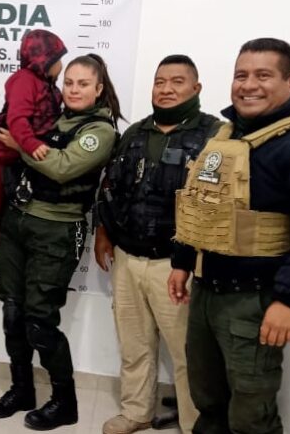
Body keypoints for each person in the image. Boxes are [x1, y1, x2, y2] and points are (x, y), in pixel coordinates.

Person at [168, 38, 290, 433]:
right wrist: (182, 261)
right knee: (207, 402)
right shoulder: (223, 138)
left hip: (254, 301)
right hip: (205, 292)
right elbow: (202, 206)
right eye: (241, 75)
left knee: (251, 416)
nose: (248, 85)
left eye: (263, 75)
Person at [0, 54, 122, 431]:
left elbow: (61, 167)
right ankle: (22, 390)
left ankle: (65, 403)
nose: (73, 89)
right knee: (13, 313)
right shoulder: (50, 118)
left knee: (40, 320)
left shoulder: (100, 130)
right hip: (17, 222)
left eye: (83, 84)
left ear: (98, 89)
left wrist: (19, 145)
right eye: (69, 82)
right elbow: (14, 157)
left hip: (57, 230)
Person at [95, 55, 220, 434]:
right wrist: (103, 232)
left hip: (177, 265)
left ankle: (194, 424)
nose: (166, 89)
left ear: (196, 88)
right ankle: (136, 411)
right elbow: (110, 185)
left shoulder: (215, 136)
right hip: (128, 258)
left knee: (188, 354)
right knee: (134, 344)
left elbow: (218, 205)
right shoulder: (135, 133)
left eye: (177, 82)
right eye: (160, 81)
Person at [0, 29, 66, 271]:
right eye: (58, 59)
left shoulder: (50, 87)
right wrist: (31, 144)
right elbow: (17, 119)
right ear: (44, 61)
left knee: (10, 209)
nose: (62, 65)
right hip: (0, 156)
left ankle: (3, 250)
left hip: (21, 160)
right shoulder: (24, 80)